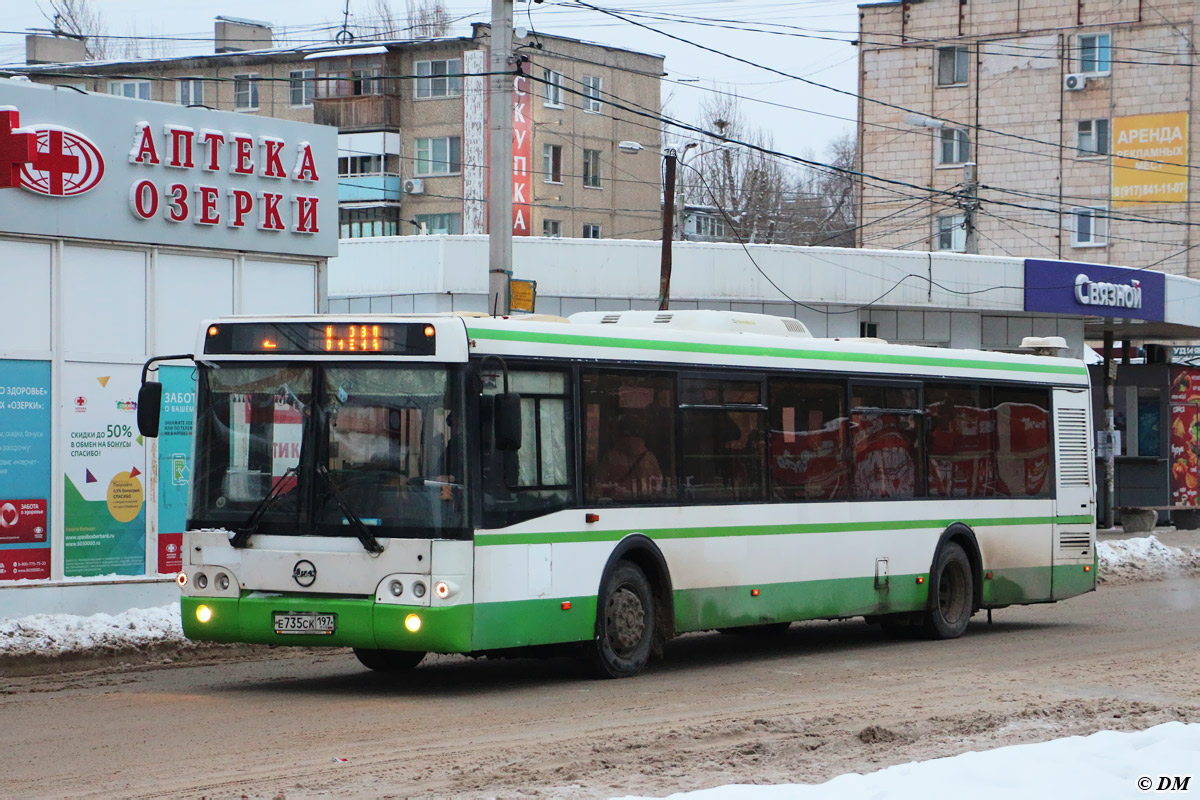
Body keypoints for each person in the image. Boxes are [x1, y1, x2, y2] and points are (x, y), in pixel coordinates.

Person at [593, 411, 663, 502]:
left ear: (618, 432)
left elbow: (598, 486)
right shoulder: (649, 457)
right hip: (647, 505)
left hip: (616, 506)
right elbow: (659, 484)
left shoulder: (610, 458)